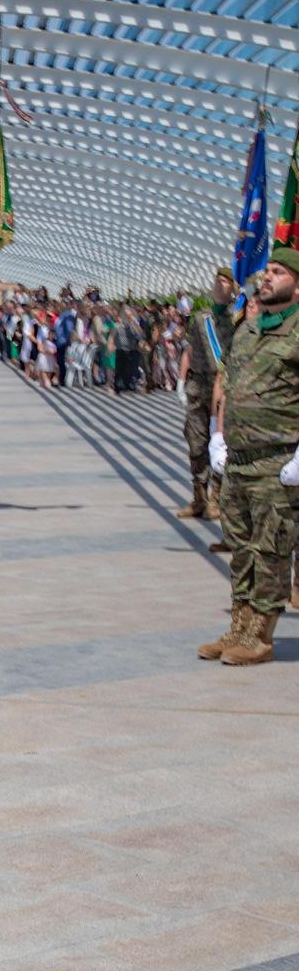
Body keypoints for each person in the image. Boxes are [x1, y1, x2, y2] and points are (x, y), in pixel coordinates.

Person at [198, 247, 299, 668]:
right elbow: (230, 384)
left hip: (277, 463)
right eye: (267, 270)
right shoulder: (248, 329)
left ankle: (261, 635)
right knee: (240, 547)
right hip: (238, 459)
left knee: (270, 548)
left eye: (278, 271)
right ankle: (240, 626)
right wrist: (218, 435)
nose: (268, 276)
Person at [177, 267, 235, 522]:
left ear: (233, 287)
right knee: (195, 441)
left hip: (223, 388)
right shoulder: (201, 318)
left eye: (226, 281)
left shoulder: (238, 318)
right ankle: (199, 497)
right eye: (218, 281)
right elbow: (190, 349)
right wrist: (182, 379)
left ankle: (216, 500)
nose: (220, 285)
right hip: (199, 387)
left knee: (220, 444)